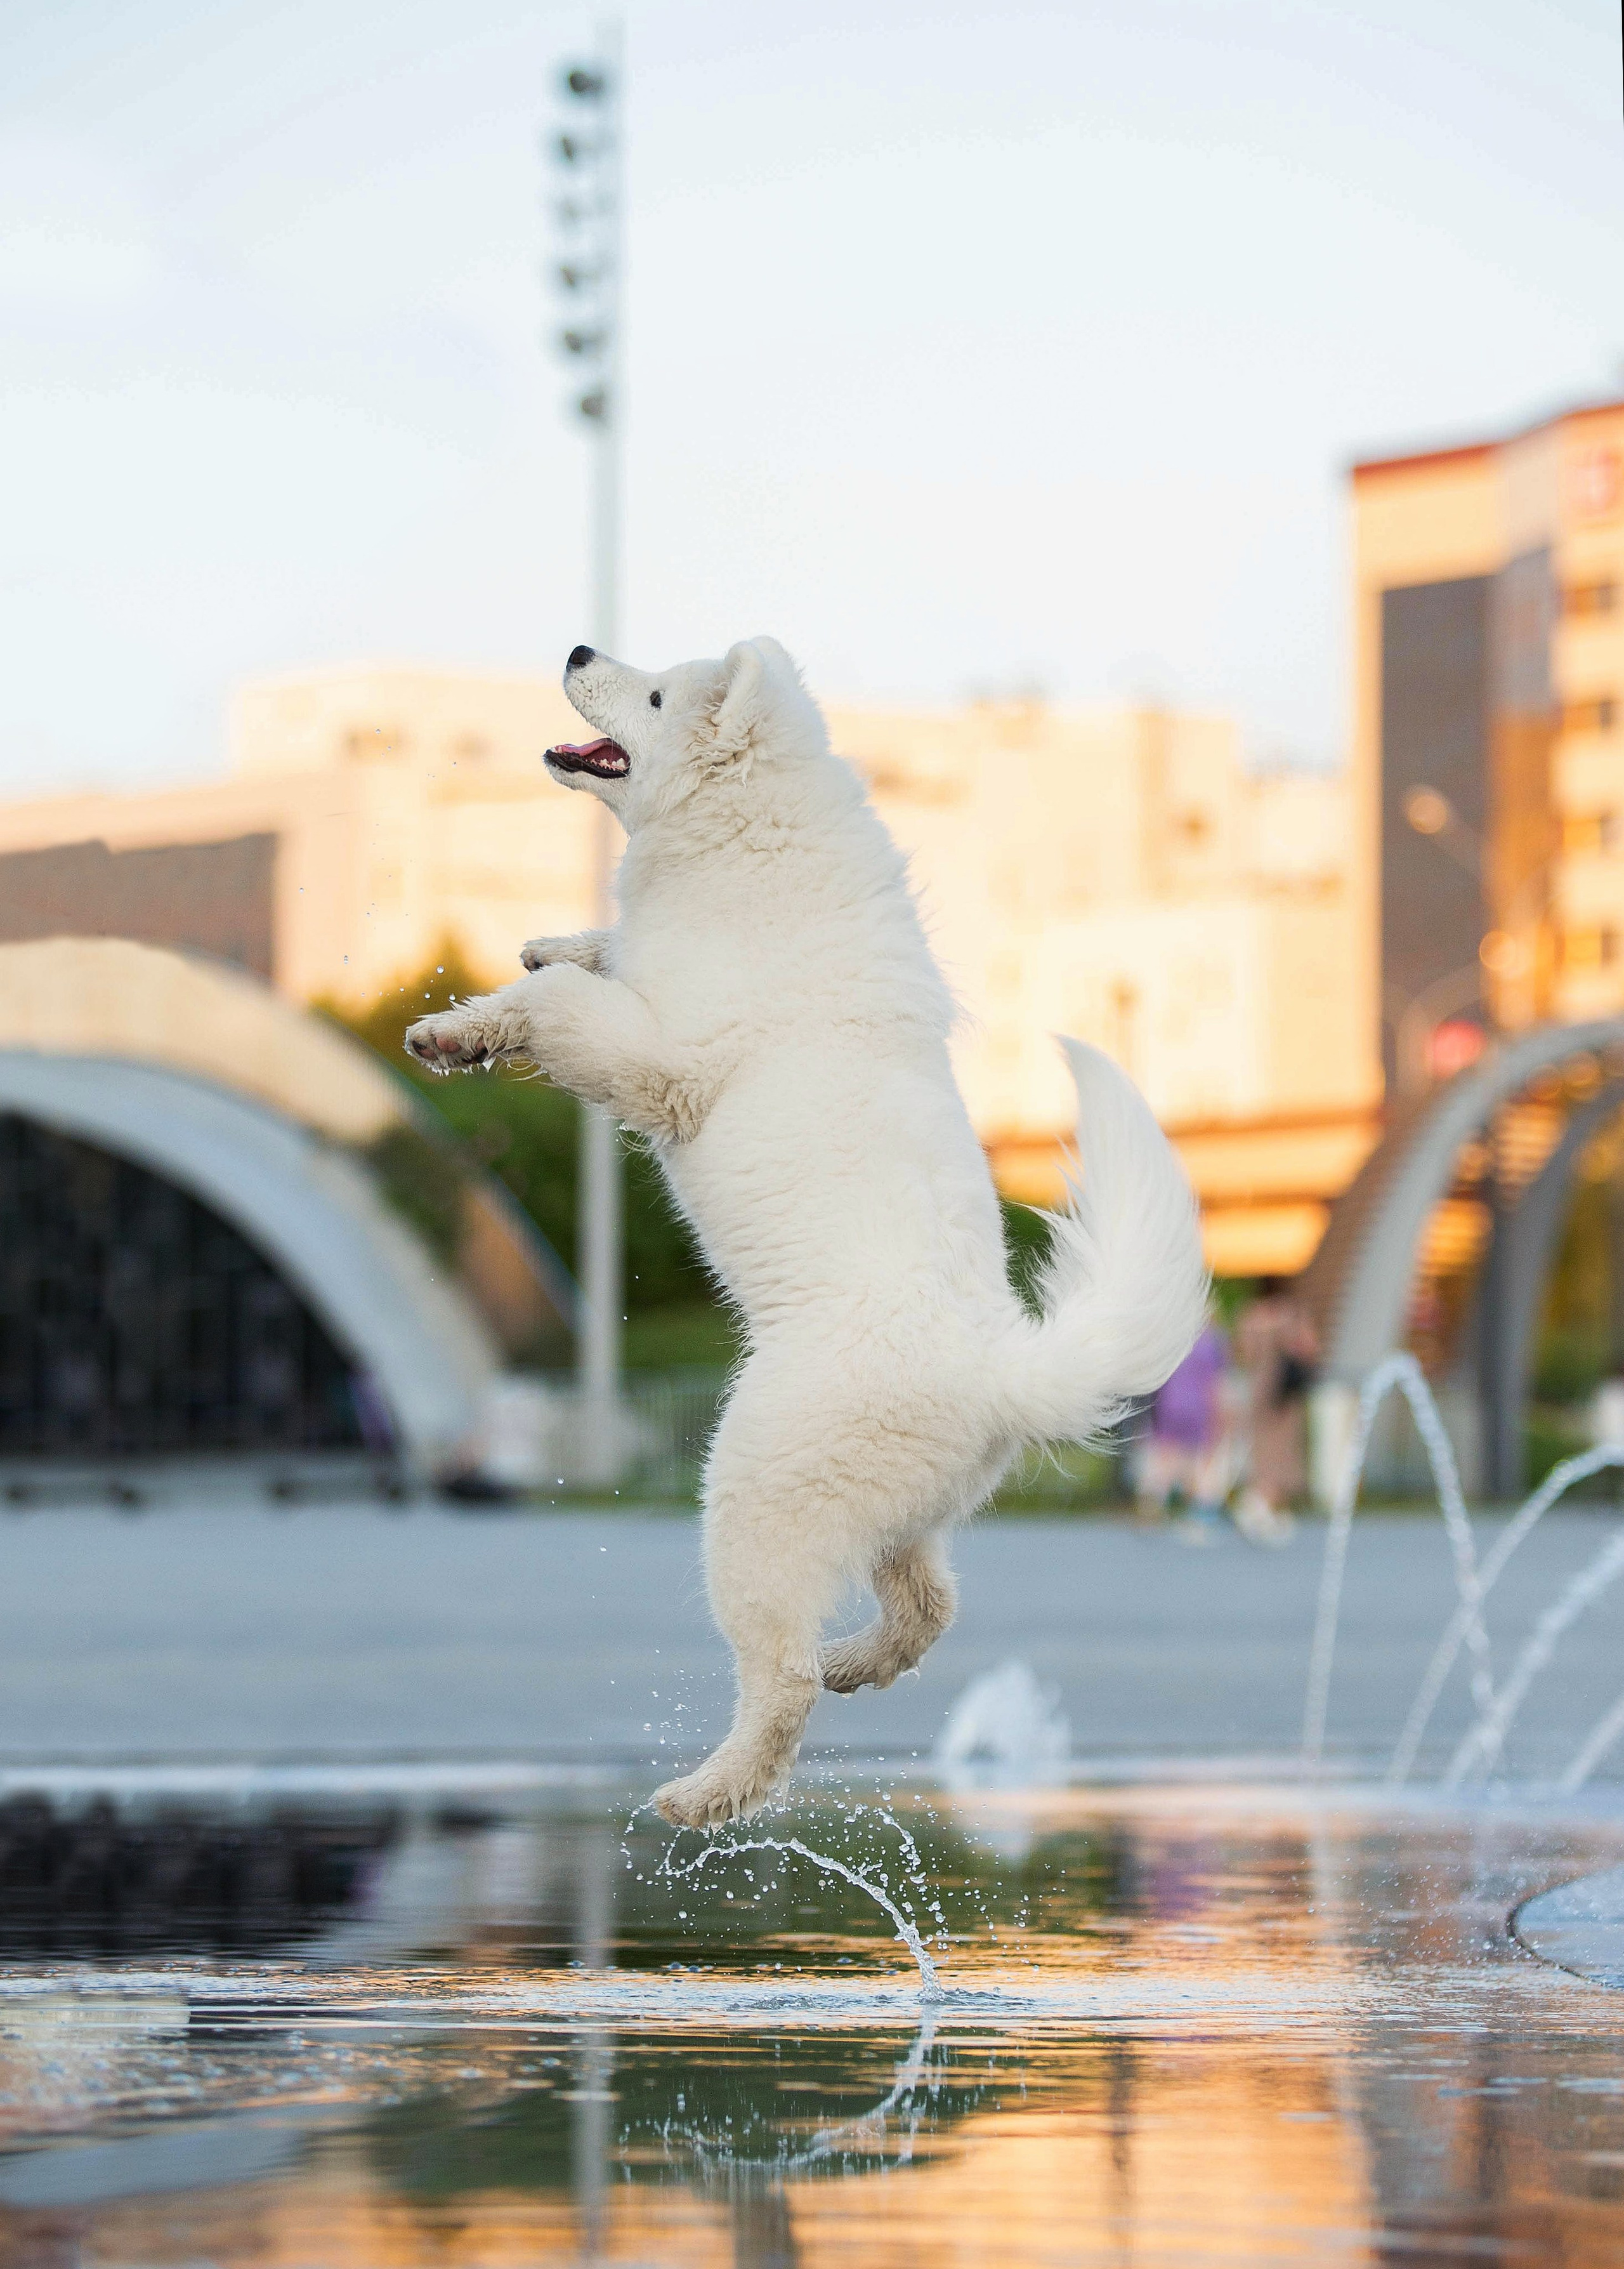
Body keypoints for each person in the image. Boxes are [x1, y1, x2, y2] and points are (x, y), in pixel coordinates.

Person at [1234, 1277, 1319, 1546]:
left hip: (1259, 1387)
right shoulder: (1291, 1314)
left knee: (1262, 1449)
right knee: (1283, 1451)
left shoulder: (1250, 1317)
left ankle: (1259, 1504)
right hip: (1283, 1391)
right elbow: (1311, 1349)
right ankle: (1262, 1506)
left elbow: (1242, 1355)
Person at [1136, 1323, 1231, 1543]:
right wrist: (1220, 1415)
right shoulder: (1213, 1340)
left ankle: (1153, 1505)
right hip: (1199, 1407)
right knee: (1202, 1458)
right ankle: (1202, 1511)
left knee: (1168, 1457)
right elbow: (1216, 1382)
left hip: (1171, 1405)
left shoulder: (1169, 1336)